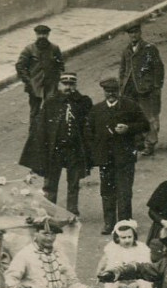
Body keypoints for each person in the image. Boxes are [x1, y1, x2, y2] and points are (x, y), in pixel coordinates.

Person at [21, 72, 95, 213]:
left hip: (74, 149)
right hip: (55, 150)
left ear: (76, 85)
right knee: (50, 183)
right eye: (65, 84)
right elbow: (41, 128)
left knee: (73, 183)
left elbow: (90, 125)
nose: (68, 87)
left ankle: (72, 211)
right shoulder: (51, 102)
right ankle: (50, 211)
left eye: (71, 84)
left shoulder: (83, 102)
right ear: (59, 85)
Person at [88, 75, 150, 232]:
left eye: (114, 90)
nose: (111, 94)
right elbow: (89, 132)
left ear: (119, 91)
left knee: (124, 191)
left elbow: (145, 124)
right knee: (107, 191)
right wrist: (96, 153)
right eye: (108, 91)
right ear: (103, 92)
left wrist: (128, 128)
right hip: (105, 159)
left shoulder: (130, 106)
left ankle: (124, 223)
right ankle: (109, 223)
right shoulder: (97, 109)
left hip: (125, 158)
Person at [5, 216, 89, 288]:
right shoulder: (25, 254)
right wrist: (16, 287)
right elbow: (10, 278)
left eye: (53, 234)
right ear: (36, 234)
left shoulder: (60, 254)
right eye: (45, 234)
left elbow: (72, 284)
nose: (49, 238)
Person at [119, 25, 166, 155]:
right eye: (130, 34)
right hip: (129, 89)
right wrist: (122, 85)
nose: (133, 36)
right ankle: (138, 142)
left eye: (135, 33)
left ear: (140, 33)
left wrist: (156, 86)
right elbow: (123, 70)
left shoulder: (149, 49)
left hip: (146, 89)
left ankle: (150, 143)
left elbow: (158, 68)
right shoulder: (126, 50)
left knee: (148, 116)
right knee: (132, 115)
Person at [15, 23, 65, 124]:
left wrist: (56, 79)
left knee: (51, 109)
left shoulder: (54, 48)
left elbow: (60, 64)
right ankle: (33, 134)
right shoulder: (29, 49)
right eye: (39, 34)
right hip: (34, 86)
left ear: (48, 35)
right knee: (35, 111)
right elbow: (20, 66)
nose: (42, 36)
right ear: (36, 35)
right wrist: (29, 81)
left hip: (50, 85)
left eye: (44, 34)